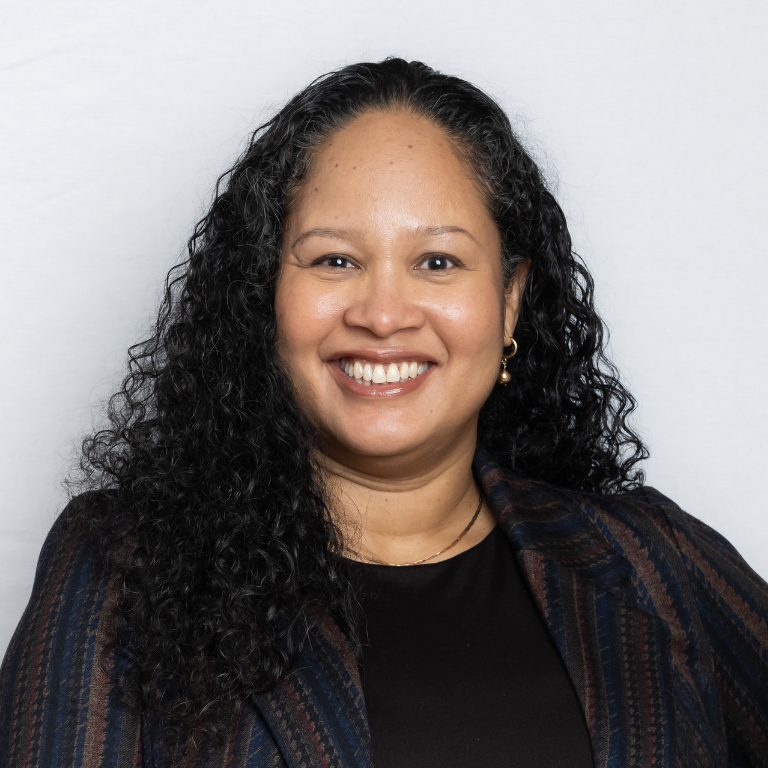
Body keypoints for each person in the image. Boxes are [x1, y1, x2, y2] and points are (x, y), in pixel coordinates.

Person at [1, 57, 766, 768]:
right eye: (335, 259)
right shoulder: (126, 569)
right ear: (265, 296)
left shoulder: (648, 560)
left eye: (438, 262)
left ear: (509, 302)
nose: (384, 313)